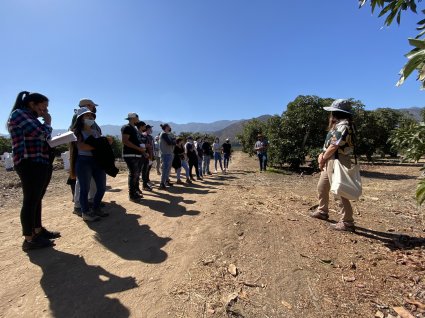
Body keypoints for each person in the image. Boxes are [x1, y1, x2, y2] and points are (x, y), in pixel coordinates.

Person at [7, 91, 60, 251]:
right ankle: (29, 239)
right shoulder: (20, 114)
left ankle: (38, 230)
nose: (45, 111)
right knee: (30, 199)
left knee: (36, 198)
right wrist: (48, 123)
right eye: (43, 107)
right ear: (32, 104)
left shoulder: (30, 117)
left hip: (38, 160)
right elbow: (42, 134)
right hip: (28, 161)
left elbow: (43, 136)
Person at [310, 99, 356, 232]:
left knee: (338, 190)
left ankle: (347, 222)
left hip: (337, 160)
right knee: (322, 186)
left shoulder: (344, 126)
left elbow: (334, 146)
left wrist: (322, 158)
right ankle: (322, 211)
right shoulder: (340, 125)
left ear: (336, 112)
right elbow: (331, 144)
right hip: (331, 159)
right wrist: (323, 155)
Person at [72, 107, 108, 222]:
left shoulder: (96, 132)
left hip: (98, 162)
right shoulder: (77, 132)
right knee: (84, 188)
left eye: (91, 116)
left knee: (101, 188)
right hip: (84, 161)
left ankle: (96, 208)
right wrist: (101, 145)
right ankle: (86, 212)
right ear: (80, 118)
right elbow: (82, 147)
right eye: (87, 116)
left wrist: (104, 144)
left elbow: (102, 147)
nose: (90, 118)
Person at [70, 98, 101, 215]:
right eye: (93, 106)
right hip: (82, 154)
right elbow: (75, 132)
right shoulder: (78, 116)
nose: (94, 108)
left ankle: (89, 201)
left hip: (91, 155)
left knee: (89, 181)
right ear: (87, 105)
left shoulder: (91, 118)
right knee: (81, 182)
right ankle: (78, 204)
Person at [121, 113, 146, 201]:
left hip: (137, 154)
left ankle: (135, 192)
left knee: (136, 174)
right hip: (130, 154)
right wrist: (138, 148)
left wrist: (141, 150)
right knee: (133, 174)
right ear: (133, 118)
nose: (138, 119)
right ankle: (132, 195)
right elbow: (125, 141)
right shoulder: (127, 127)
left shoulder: (134, 129)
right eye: (137, 117)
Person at [158, 123, 176, 189]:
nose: (170, 127)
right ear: (166, 127)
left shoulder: (167, 134)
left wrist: (173, 141)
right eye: (169, 126)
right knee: (165, 169)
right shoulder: (163, 134)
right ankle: (162, 183)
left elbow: (172, 142)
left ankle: (166, 181)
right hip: (165, 154)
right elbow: (170, 142)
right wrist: (173, 142)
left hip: (168, 153)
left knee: (168, 169)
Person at [136, 121, 152, 191]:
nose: (145, 127)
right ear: (141, 126)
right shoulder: (136, 134)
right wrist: (145, 146)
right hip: (139, 155)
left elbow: (147, 146)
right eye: (144, 126)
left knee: (145, 171)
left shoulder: (143, 135)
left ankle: (144, 185)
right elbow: (138, 145)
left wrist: (148, 153)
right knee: (137, 172)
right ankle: (136, 188)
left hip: (145, 155)